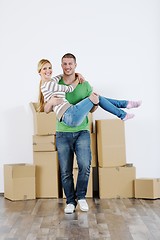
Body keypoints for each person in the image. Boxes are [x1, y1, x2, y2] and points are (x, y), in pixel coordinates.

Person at [37, 59, 141, 126]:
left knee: (97, 97)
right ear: (39, 72)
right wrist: (77, 80)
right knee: (97, 97)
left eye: (50, 68)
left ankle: (125, 105)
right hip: (70, 114)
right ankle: (123, 111)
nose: (48, 70)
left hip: (69, 116)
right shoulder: (49, 84)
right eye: (44, 69)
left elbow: (60, 76)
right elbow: (69, 89)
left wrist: (77, 74)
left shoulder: (50, 82)